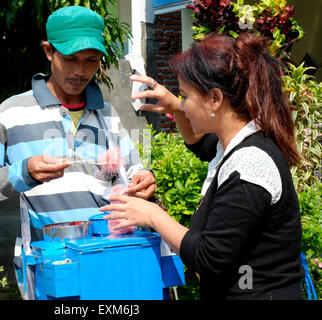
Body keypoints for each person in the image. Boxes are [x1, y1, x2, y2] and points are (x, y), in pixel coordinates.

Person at [0, 6, 156, 299]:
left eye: (91, 60)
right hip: (52, 272)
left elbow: (134, 171)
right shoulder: (12, 113)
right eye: (70, 59)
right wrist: (23, 173)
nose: (80, 71)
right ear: (49, 51)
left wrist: (144, 179)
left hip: (111, 265)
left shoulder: (108, 115)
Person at [100, 32, 304, 300]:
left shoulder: (251, 163)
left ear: (215, 99)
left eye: (185, 96)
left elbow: (210, 257)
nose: (182, 104)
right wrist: (174, 105)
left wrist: (152, 215)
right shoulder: (234, 143)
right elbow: (199, 144)